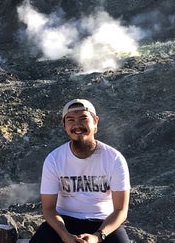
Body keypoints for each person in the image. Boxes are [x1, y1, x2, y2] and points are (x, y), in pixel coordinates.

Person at [30, 99, 131, 243]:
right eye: (71, 120)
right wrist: (65, 235)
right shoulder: (54, 159)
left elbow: (120, 210)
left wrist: (98, 236)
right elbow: (48, 209)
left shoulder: (114, 159)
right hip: (64, 221)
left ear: (95, 122)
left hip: (102, 222)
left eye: (83, 119)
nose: (77, 125)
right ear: (64, 125)